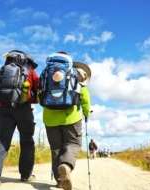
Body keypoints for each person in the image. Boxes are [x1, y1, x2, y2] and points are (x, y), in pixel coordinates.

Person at [39, 51, 91, 190]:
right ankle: (66, 165)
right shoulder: (74, 75)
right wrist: (86, 113)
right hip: (71, 117)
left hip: (50, 119)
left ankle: (59, 180)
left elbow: (40, 97)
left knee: (56, 148)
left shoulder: (45, 74)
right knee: (73, 143)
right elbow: (84, 97)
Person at [0, 51, 39, 186]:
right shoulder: (29, 72)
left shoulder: (4, 70)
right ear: (28, 62)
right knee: (27, 140)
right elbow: (38, 90)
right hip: (23, 109)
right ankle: (26, 175)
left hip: (3, 108)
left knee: (3, 138)